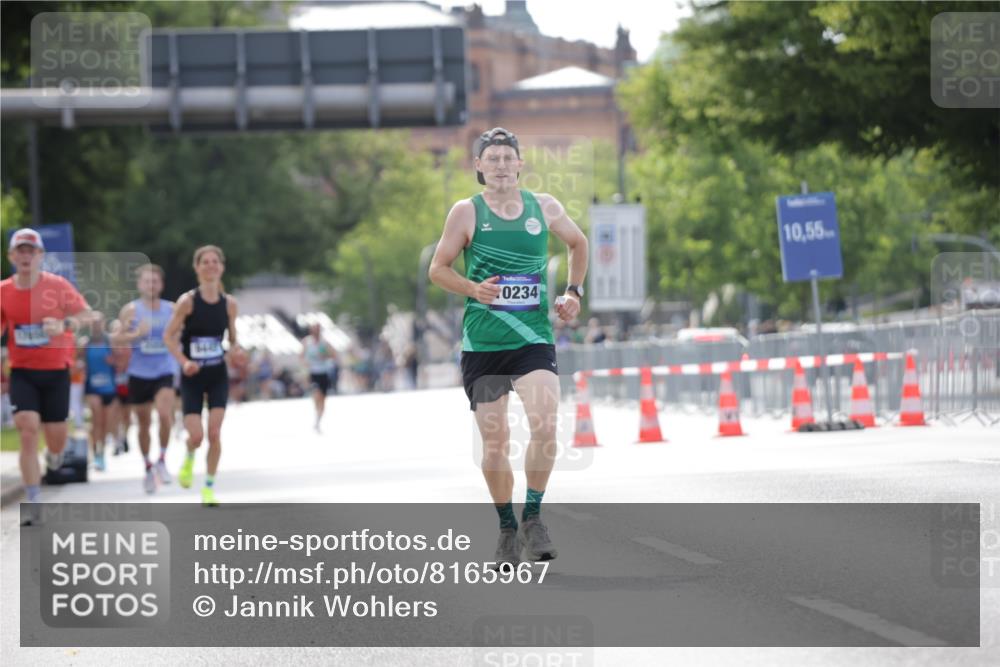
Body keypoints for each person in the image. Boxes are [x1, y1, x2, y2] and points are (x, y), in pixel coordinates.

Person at [428, 128, 588, 569]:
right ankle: (505, 527)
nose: (500, 164)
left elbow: (578, 243)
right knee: (495, 443)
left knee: (545, 422)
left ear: (520, 165)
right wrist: (472, 288)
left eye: (507, 157)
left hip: (533, 338)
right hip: (483, 344)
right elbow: (437, 270)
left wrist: (574, 292)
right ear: (478, 166)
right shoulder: (466, 212)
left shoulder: (545, 206)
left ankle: (533, 516)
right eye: (491, 158)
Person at [1, 228, 95, 524]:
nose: (26, 256)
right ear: (11, 256)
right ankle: (34, 500)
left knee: (56, 442)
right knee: (27, 430)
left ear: (41, 255)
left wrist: (65, 323)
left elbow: (88, 316)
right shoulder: (3, 291)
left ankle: (54, 459)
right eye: (21, 251)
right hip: (23, 372)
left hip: (56, 371)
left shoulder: (58, 286)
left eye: (32, 250)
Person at [164, 245, 246, 506]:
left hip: (217, 374)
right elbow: (168, 337)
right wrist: (184, 362)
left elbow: (232, 340)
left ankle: (208, 488)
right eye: (205, 262)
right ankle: (189, 456)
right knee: (197, 436)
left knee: (214, 433)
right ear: (197, 268)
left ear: (222, 267)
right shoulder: (187, 302)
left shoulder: (230, 304)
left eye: (215, 262)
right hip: (192, 377)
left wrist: (236, 351)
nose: (210, 266)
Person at [112, 264, 178, 494]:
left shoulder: (171, 309)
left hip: (164, 370)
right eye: (147, 281)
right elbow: (117, 339)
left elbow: (180, 335)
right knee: (143, 424)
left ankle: (161, 459)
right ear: (140, 285)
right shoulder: (131, 310)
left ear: (161, 284)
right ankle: (148, 466)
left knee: (164, 414)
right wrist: (135, 334)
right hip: (139, 373)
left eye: (155, 281)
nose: (151, 285)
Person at [83, 317, 118, 472]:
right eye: (93, 324)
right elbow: (76, 362)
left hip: (109, 387)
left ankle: (101, 453)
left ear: (103, 325)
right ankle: (94, 454)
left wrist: (114, 361)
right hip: (92, 387)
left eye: (98, 324)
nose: (96, 327)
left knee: (105, 423)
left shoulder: (110, 342)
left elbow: (121, 362)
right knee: (96, 419)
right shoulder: (85, 344)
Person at [301, 323, 336, 432]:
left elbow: (333, 355)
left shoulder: (324, 342)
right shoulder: (307, 342)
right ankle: (316, 413)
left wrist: (325, 356)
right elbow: (301, 356)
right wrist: (305, 366)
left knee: (323, 399)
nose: (315, 332)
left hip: (324, 372)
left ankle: (318, 420)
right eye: (313, 330)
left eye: (317, 330)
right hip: (313, 372)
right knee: (316, 395)